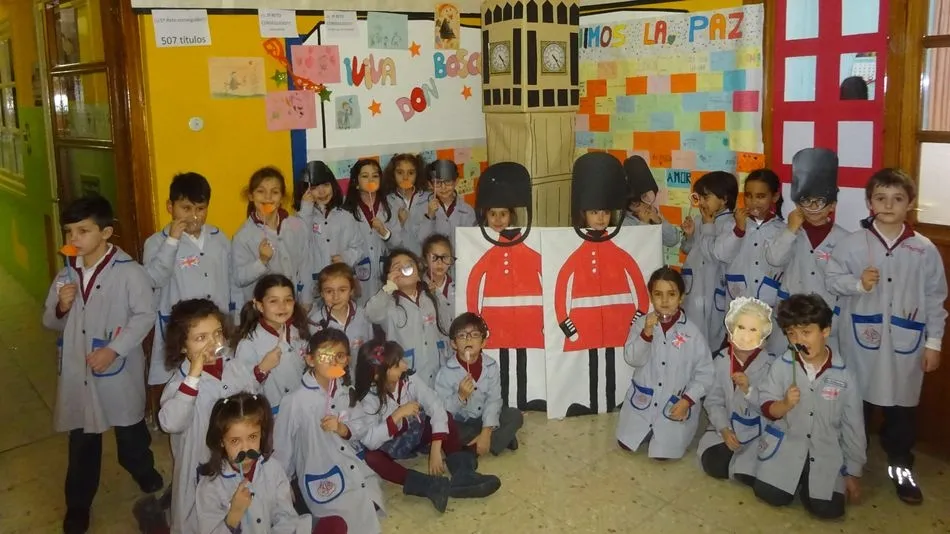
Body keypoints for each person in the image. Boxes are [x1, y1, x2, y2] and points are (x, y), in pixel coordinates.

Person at [42, 195, 163, 534]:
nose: (73, 240)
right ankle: (78, 505)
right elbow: (49, 321)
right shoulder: (66, 274)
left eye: (83, 231)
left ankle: (145, 473)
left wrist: (115, 349)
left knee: (130, 434)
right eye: (69, 232)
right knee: (82, 443)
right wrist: (61, 308)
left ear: (106, 232)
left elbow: (144, 316)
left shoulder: (130, 273)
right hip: (80, 373)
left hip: (116, 370)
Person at [827, 168, 947, 504]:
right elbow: (833, 280)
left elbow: (936, 299)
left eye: (898, 199)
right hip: (860, 345)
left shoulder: (923, 250)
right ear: (869, 203)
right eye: (881, 198)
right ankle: (851, 465)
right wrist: (857, 284)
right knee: (856, 410)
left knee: (902, 416)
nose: (889, 205)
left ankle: (901, 468)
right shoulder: (852, 244)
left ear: (910, 203)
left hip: (906, 349)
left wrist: (933, 343)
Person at [348, 340, 501, 513]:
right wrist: (396, 416)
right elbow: (370, 441)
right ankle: (429, 486)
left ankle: (463, 474)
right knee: (371, 458)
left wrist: (436, 447)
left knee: (446, 418)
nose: (405, 366)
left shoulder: (409, 379)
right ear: (377, 373)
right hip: (391, 445)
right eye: (398, 365)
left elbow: (435, 405)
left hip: (415, 434)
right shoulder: (367, 399)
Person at [754, 294, 865, 520]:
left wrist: (853, 472)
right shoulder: (782, 366)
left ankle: (809, 480)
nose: (799, 340)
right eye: (792, 334)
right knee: (769, 494)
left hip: (825, 451)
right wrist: (783, 405)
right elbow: (765, 406)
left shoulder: (845, 376)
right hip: (787, 445)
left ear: (825, 331)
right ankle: (794, 477)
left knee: (829, 510)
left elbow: (854, 427)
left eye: (806, 332)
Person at [556, 152, 650, 417]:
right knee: (590, 362)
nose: (600, 218)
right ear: (583, 213)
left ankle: (615, 398)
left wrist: (637, 316)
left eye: (605, 212)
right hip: (584, 324)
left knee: (613, 360)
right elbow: (561, 286)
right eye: (594, 212)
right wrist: (566, 323)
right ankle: (589, 400)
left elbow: (639, 284)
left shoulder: (622, 250)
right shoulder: (573, 252)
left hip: (617, 320)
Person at [157, 299, 262, 534]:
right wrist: (193, 375)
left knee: (240, 513)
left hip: (238, 460)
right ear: (183, 347)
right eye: (200, 338)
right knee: (197, 520)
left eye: (217, 334)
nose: (213, 343)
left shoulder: (235, 368)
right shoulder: (179, 384)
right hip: (200, 466)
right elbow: (171, 422)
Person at [273, 328, 383, 533]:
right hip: (321, 474)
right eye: (325, 355)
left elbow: (360, 425)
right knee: (343, 519)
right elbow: (282, 449)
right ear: (310, 360)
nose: (333, 361)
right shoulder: (294, 401)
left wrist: (343, 429)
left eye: (339, 356)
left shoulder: (345, 392)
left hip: (349, 467)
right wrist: (283, 486)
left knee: (367, 504)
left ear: (347, 360)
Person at [195, 392, 347, 534]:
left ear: (262, 434)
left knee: (335, 525)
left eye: (253, 437)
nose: (246, 448)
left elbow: (285, 517)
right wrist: (233, 515)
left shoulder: (272, 469)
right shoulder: (210, 486)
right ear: (222, 441)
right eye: (235, 441)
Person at [144, 172, 235, 399]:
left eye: (200, 209)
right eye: (186, 208)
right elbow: (154, 280)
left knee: (217, 380)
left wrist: (235, 320)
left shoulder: (219, 238)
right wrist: (172, 241)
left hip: (215, 326)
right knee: (184, 385)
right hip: (183, 331)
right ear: (170, 206)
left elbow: (231, 282)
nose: (194, 216)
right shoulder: (156, 242)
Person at [466, 162, 546, 411]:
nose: (498, 219)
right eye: (492, 214)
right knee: (499, 359)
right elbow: (473, 282)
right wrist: (475, 318)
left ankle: (525, 397)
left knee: (524, 358)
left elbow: (546, 273)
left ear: (511, 215)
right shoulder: (484, 251)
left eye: (503, 214)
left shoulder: (529, 249)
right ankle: (503, 399)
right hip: (495, 318)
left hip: (528, 318)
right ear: (485, 216)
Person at [616, 267, 714, 460]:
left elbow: (706, 373)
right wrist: (646, 334)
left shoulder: (692, 333)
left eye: (671, 294)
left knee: (663, 455)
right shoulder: (642, 324)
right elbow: (631, 358)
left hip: (675, 405)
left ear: (681, 297)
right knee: (626, 443)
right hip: (643, 402)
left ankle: (666, 431)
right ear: (651, 297)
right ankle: (646, 427)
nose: (665, 300)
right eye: (658, 294)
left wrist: (687, 400)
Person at [765, 148, 849, 351]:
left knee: (818, 368)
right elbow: (774, 259)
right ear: (797, 203)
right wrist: (791, 229)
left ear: (832, 205)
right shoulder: (788, 231)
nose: (812, 207)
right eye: (805, 201)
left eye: (819, 201)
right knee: (784, 367)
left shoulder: (845, 239)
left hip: (823, 320)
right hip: (789, 316)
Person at [697, 297, 776, 484]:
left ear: (763, 340)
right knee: (713, 464)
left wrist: (749, 390)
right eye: (740, 328)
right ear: (729, 333)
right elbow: (713, 401)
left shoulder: (770, 366)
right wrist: (724, 429)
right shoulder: (721, 361)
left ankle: (747, 465)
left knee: (748, 471)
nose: (746, 336)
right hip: (726, 429)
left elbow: (770, 408)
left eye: (753, 330)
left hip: (757, 431)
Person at [434, 313, 523, 456]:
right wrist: (460, 397)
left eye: (475, 335)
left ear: (483, 342)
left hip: (484, 418)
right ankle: (499, 441)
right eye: (462, 335)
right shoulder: (445, 372)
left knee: (515, 415)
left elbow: (494, 400)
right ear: (453, 344)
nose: (468, 339)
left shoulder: (491, 366)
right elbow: (443, 410)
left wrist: (486, 431)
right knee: (450, 429)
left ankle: (479, 443)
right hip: (462, 421)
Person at [720, 169, 787, 353]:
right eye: (748, 196)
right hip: (737, 303)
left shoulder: (782, 230)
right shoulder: (731, 224)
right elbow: (721, 254)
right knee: (737, 355)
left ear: (774, 197)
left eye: (760, 196)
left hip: (768, 305)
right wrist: (739, 230)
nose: (753, 202)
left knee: (765, 356)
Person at [365, 249, 449, 387]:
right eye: (397, 267)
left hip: (438, 372)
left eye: (409, 265)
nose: (404, 269)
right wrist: (389, 287)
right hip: (406, 375)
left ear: (418, 273)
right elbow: (371, 314)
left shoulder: (430, 297)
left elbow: (446, 327)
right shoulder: (388, 304)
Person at [231, 166, 312, 309]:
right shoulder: (243, 237)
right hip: (264, 312)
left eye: (274, 192)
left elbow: (305, 264)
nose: (268, 197)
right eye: (261, 191)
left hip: (294, 306)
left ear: (281, 197)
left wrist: (306, 301)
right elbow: (239, 278)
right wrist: (262, 261)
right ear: (251, 196)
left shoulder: (295, 225)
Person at [233, 274, 311, 414]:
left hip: (302, 408)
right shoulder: (249, 343)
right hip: (272, 414)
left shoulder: (299, 331)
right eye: (273, 301)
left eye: (288, 300)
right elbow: (241, 390)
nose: (282, 306)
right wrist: (262, 369)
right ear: (260, 306)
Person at [680, 171, 739, 349]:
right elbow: (687, 249)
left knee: (712, 342)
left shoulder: (732, 224)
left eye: (707, 197)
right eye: (700, 197)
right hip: (694, 291)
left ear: (724, 199)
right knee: (691, 339)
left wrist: (707, 226)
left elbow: (713, 255)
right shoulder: (699, 220)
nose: (702, 203)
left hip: (715, 293)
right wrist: (689, 236)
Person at [342, 159, 403, 305]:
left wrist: (384, 232)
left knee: (384, 311)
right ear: (356, 182)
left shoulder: (390, 206)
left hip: (384, 275)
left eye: (375, 176)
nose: (370, 179)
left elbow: (398, 245)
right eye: (365, 176)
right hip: (358, 276)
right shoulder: (346, 211)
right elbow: (344, 248)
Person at [296, 160, 366, 282]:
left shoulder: (345, 216)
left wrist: (346, 258)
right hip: (311, 285)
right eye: (314, 187)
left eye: (326, 185)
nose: (322, 192)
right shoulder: (300, 218)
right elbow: (298, 245)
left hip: (339, 280)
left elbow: (359, 247)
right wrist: (306, 210)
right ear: (305, 191)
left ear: (333, 186)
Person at [307, 263, 373, 375]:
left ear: (351, 290)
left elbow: (370, 348)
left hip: (361, 378)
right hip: (332, 381)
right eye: (329, 291)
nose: (335, 297)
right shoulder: (314, 322)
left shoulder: (364, 315)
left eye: (342, 290)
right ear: (321, 293)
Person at [622, 155, 681, 247]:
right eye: (637, 203)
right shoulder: (624, 222)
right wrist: (644, 224)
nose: (645, 204)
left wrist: (658, 221)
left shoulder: (652, 211)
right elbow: (637, 248)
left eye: (646, 196)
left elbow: (673, 240)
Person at [420, 159, 476, 249]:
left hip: (459, 259)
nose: (443, 187)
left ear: (456, 181)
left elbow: (472, 241)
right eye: (437, 182)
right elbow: (422, 240)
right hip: (435, 260)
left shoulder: (467, 210)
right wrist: (430, 216)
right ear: (430, 184)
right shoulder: (422, 207)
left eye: (448, 181)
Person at [384, 153, 430, 255]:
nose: (405, 177)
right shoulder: (386, 202)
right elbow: (391, 243)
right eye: (400, 172)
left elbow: (429, 237)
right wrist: (399, 223)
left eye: (411, 173)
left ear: (417, 174)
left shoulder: (428, 199)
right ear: (393, 174)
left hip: (424, 259)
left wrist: (430, 216)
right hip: (398, 259)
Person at [422, 233, 457, 321]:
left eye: (445, 257)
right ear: (425, 261)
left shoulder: (458, 285)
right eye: (434, 257)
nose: (439, 262)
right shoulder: (418, 288)